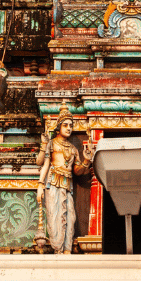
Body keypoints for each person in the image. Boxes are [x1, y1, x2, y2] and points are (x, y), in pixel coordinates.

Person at [36, 107, 92, 253]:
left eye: (71, 125)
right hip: (53, 183)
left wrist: (86, 161)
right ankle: (57, 249)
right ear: (59, 127)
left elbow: (77, 171)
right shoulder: (52, 143)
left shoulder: (73, 148)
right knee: (55, 218)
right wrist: (40, 185)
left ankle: (66, 250)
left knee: (70, 218)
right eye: (65, 125)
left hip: (67, 185)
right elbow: (41, 162)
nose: (69, 128)